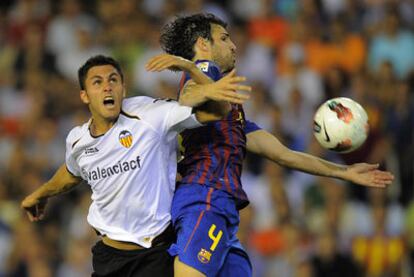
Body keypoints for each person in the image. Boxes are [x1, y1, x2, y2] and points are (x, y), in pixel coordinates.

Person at [146, 13, 394, 277]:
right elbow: (190, 96)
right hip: (204, 200)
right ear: (203, 45)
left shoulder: (232, 120)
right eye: (224, 38)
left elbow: (284, 155)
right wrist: (202, 80)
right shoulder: (205, 72)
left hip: (223, 211)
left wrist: (344, 172)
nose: (233, 45)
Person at [20, 55, 252, 277]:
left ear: (123, 87)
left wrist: (191, 69)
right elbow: (71, 173)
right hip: (108, 256)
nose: (107, 87)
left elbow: (218, 112)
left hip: (152, 254)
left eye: (113, 80)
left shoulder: (150, 115)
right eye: (97, 82)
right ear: (85, 95)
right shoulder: (77, 140)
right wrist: (40, 195)